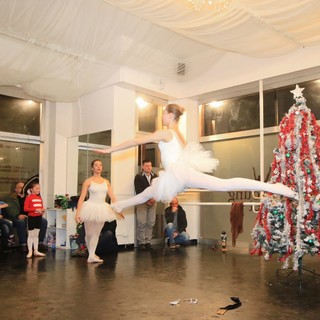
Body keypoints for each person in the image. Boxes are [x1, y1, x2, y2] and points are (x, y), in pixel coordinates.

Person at [95, 103, 294, 212]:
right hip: (179, 176)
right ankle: (120, 204)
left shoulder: (166, 133)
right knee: (149, 192)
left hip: (178, 176)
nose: (162, 117)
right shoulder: (178, 135)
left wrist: (110, 150)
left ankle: (274, 187)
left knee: (149, 192)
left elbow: (134, 141)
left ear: (169, 115)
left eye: (164, 114)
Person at [75, 159, 121, 263]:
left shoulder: (106, 182)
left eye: (100, 165)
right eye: (96, 165)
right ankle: (91, 253)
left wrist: (119, 209)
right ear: (92, 168)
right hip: (90, 207)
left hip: (102, 208)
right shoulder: (88, 181)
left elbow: (112, 196)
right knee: (89, 234)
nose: (99, 167)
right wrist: (78, 213)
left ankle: (91, 255)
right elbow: (82, 198)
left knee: (96, 233)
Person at [3, 181, 48, 252]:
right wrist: (18, 215)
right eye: (20, 187)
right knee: (20, 222)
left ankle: (40, 243)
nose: (23, 189)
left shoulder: (29, 197)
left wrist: (39, 210)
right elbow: (10, 210)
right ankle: (23, 244)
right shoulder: (10, 198)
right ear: (16, 189)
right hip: (17, 217)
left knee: (43, 221)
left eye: (24, 187)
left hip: (29, 216)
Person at [134, 160, 157, 250]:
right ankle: (142, 242)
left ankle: (148, 241)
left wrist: (153, 199)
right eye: (146, 166)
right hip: (142, 202)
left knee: (151, 222)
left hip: (153, 201)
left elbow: (158, 189)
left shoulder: (155, 176)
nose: (149, 167)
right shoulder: (138, 177)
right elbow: (138, 190)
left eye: (150, 165)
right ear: (142, 167)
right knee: (141, 222)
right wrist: (147, 200)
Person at [24, 182, 46, 258]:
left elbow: (41, 207)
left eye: (39, 188)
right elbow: (26, 209)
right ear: (31, 189)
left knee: (36, 235)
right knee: (31, 235)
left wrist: (42, 210)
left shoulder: (39, 198)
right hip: (32, 218)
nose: (38, 190)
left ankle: (36, 250)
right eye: (37, 188)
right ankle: (30, 251)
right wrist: (35, 210)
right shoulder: (29, 197)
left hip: (38, 218)